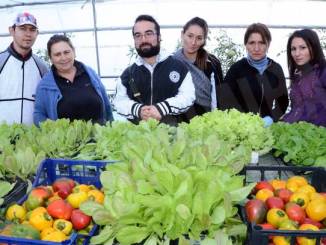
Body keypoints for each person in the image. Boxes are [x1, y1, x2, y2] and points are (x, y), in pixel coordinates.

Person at [113, 14, 195, 126]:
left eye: (149, 33)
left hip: (172, 136)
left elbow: (188, 96)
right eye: (138, 35)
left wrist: (162, 108)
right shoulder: (128, 74)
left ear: (159, 36)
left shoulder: (179, 68)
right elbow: (119, 101)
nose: (143, 39)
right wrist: (138, 110)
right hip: (139, 137)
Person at [33, 34, 113, 126]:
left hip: (101, 138)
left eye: (66, 52)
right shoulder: (45, 85)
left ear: (74, 52)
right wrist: (51, 132)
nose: (63, 58)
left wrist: (112, 129)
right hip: (66, 140)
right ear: (51, 58)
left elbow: (107, 106)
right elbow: (38, 114)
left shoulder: (90, 74)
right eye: (57, 54)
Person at [220, 23, 288, 125]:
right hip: (241, 127)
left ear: (268, 44)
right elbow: (223, 101)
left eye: (261, 43)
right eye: (252, 43)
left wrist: (271, 118)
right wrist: (239, 121)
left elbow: (283, 102)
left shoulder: (276, 69)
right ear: (246, 45)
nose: (256, 48)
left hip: (267, 128)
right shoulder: (236, 69)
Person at [0, 12, 48, 125]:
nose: (28, 34)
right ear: (12, 31)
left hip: (32, 139)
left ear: (37, 33)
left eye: (32, 29)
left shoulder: (42, 67)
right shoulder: (1, 61)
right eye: (23, 28)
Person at [174, 17, 223, 121]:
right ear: (182, 34)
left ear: (204, 40)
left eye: (199, 38)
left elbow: (219, 97)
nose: (193, 42)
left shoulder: (212, 63)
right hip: (178, 120)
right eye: (190, 36)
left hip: (206, 120)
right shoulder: (171, 62)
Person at [282, 29, 326, 127]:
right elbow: (297, 110)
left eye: (302, 47)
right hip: (299, 133)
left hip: (319, 136)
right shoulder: (298, 75)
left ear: (314, 48)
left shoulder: (323, 71)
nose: (297, 54)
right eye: (293, 49)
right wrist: (283, 120)